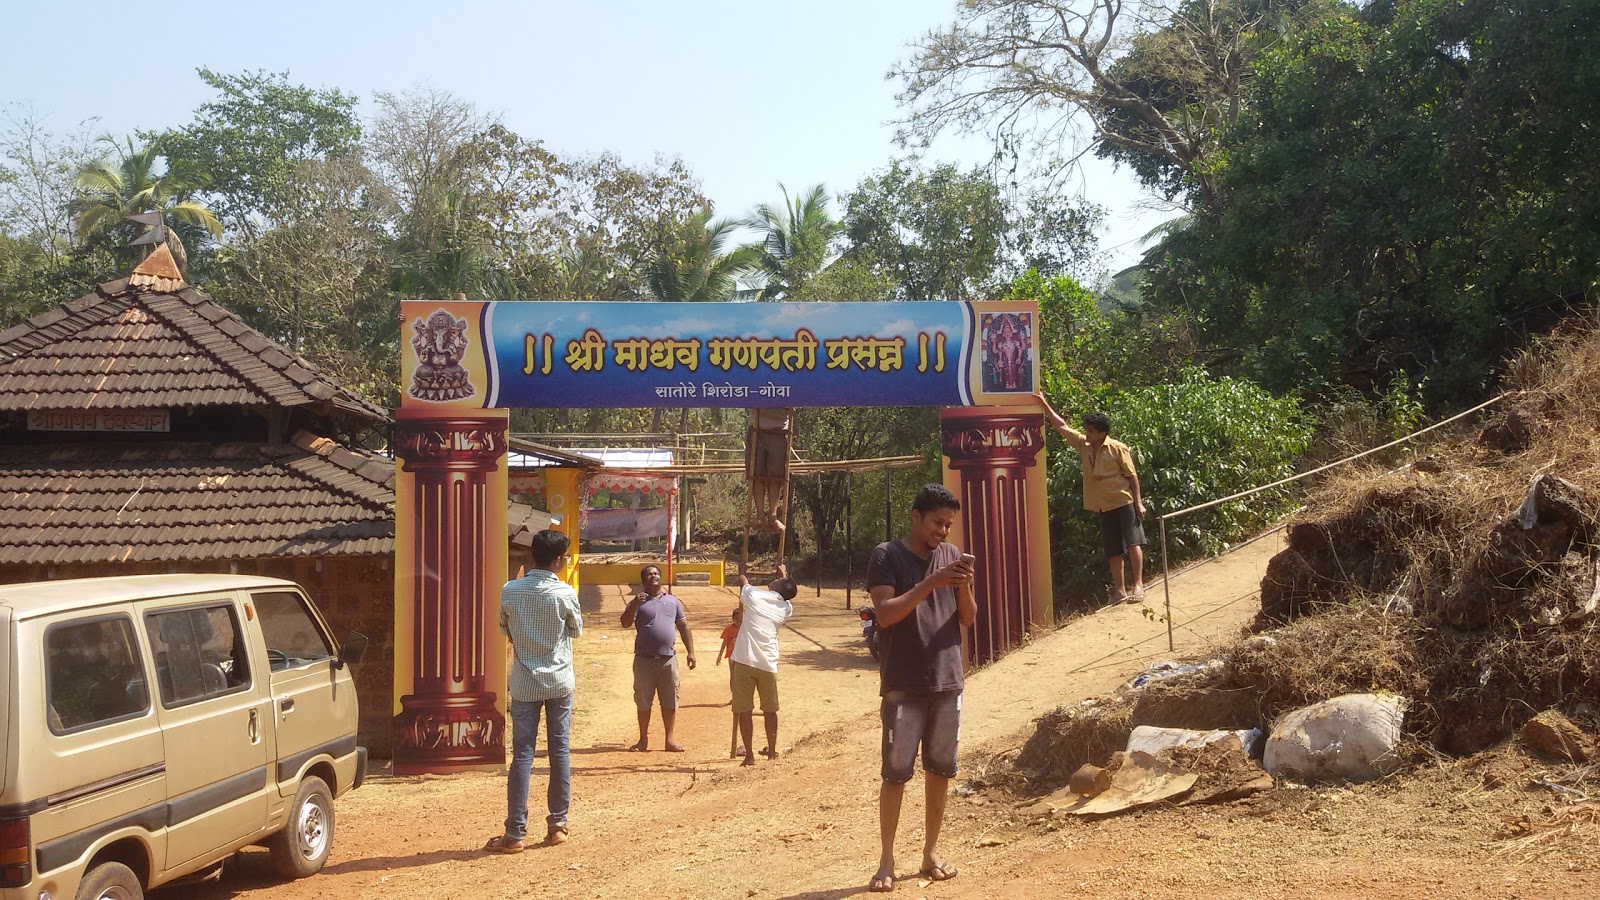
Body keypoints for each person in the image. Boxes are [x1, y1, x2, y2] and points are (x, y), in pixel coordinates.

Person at [864, 484, 976, 892]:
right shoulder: (886, 555)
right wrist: (931, 583)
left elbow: (968, 618)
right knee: (895, 774)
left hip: (947, 680)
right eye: (936, 523)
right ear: (916, 517)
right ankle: (886, 859)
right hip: (904, 683)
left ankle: (931, 852)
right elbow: (885, 614)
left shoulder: (951, 555)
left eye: (947, 525)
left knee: (940, 770)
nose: (942, 532)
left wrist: (961, 583)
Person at [483, 529, 582, 853]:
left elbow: (503, 628)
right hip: (560, 681)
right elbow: (576, 631)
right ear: (558, 560)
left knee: (522, 755)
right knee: (559, 751)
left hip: (525, 683)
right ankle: (557, 826)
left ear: (532, 556)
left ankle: (515, 833)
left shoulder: (510, 590)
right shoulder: (564, 593)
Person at [1034, 393, 1148, 603]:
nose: (1087, 434)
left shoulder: (1118, 448)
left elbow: (1132, 477)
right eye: (1086, 430)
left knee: (1133, 543)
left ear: (1102, 433)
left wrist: (1139, 503)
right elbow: (1062, 427)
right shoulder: (1084, 445)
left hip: (1123, 501)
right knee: (1113, 550)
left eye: (1091, 431)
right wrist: (1044, 405)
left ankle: (1139, 585)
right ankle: (1120, 590)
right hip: (1102, 506)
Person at [620, 564, 697, 751]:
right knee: (643, 700)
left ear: (660, 578)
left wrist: (691, 652)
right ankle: (643, 740)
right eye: (649, 574)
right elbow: (625, 623)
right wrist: (635, 603)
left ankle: (669, 740)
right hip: (644, 660)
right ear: (643, 580)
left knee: (670, 699)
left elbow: (684, 626)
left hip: (668, 659)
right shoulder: (637, 602)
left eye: (656, 573)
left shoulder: (672, 601)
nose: (653, 576)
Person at [729, 563, 797, 767]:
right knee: (770, 710)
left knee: (744, 710)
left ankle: (749, 756)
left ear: (778, 586)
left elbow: (744, 583)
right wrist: (784, 575)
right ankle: (772, 752)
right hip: (768, 663)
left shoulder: (755, 597)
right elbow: (785, 595)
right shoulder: (786, 609)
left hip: (745, 660)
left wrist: (742, 571)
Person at [748, 408, 793, 531]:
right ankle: (760, 516)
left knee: (776, 476)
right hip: (756, 426)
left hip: (779, 428)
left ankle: (773, 517)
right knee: (756, 474)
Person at [716, 604, 746, 759]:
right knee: (733, 676)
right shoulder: (729, 629)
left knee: (741, 677)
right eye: (736, 619)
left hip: (742, 657)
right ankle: (734, 695)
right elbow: (724, 642)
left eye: (741, 619)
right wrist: (719, 655)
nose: (738, 622)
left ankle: (739, 694)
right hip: (732, 656)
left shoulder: (746, 629)